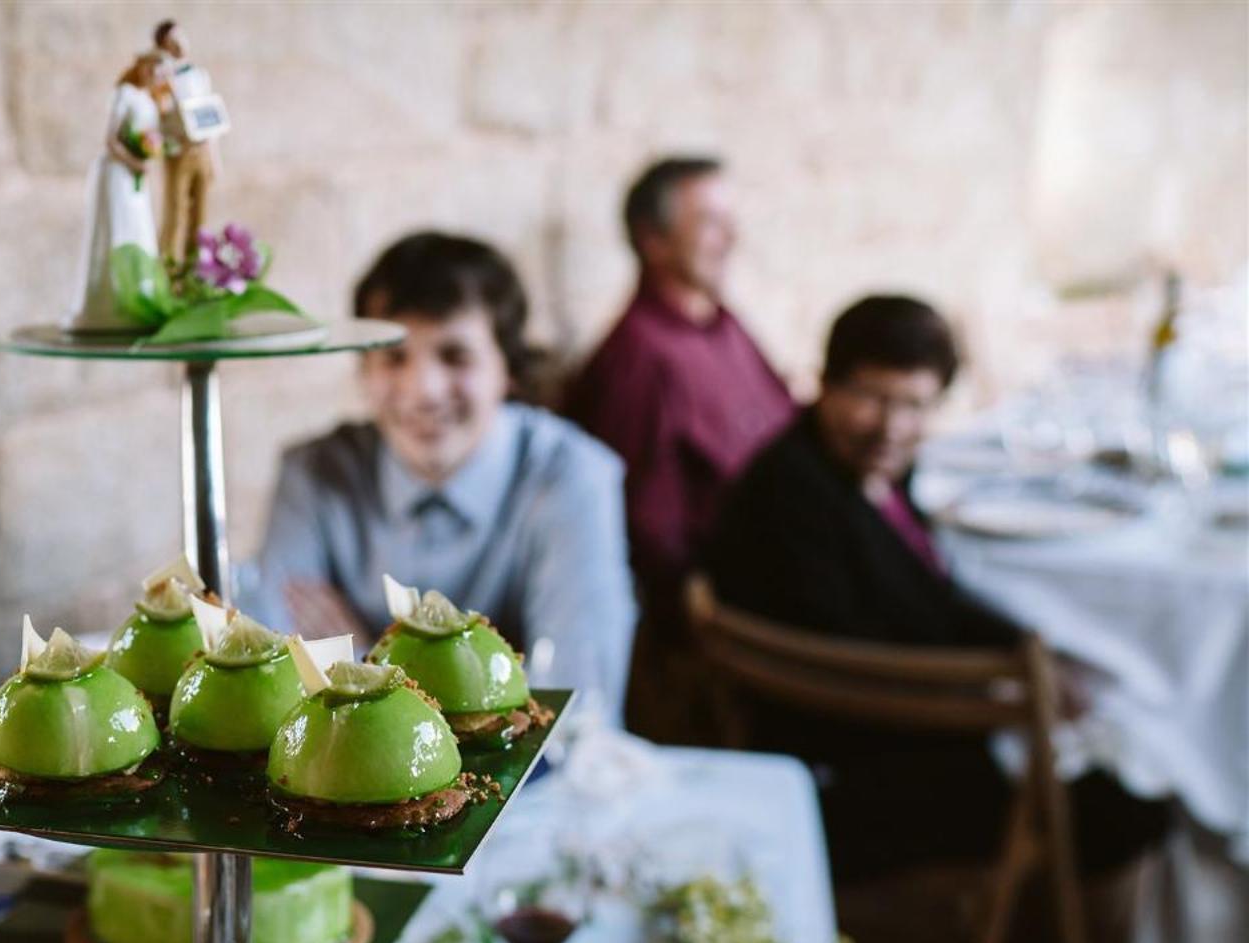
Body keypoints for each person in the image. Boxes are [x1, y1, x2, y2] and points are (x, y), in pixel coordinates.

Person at [704, 296, 1167, 884]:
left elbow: (926, 596)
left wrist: (1031, 649)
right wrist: (1007, 697)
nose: (891, 428)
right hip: (852, 783)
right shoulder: (790, 501)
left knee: (1131, 732)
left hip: (899, 734)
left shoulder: (864, 475)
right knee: (1134, 800)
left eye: (915, 405)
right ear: (824, 384)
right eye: (872, 398)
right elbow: (847, 669)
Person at [251, 231, 637, 714]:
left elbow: (577, 706)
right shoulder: (312, 474)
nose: (424, 391)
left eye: (456, 356)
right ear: (363, 373)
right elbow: (274, 690)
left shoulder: (574, 476)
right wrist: (491, 697)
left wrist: (363, 662)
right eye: (394, 358)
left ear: (508, 369)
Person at [559, 157, 793, 738]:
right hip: (746, 621)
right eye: (710, 222)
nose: (731, 238)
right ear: (654, 241)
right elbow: (650, 533)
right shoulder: (639, 358)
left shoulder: (721, 322)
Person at [66, 49, 169, 332]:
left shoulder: (151, 99)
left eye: (159, 72)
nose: (155, 76)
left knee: (138, 229)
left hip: (136, 175)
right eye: (151, 69)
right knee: (117, 228)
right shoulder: (125, 93)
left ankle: (138, 295)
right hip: (118, 172)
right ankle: (108, 303)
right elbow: (110, 140)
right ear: (141, 67)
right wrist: (134, 161)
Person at [151, 19, 223, 270]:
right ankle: (169, 272)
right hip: (179, 150)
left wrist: (215, 158)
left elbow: (210, 116)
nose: (180, 44)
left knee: (200, 216)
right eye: (174, 40)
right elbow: (160, 113)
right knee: (176, 213)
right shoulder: (162, 78)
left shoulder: (199, 75)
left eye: (182, 37)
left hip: (201, 148)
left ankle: (196, 273)